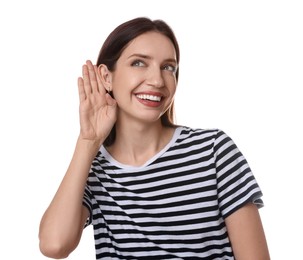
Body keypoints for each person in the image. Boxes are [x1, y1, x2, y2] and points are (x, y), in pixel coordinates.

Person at [39, 17, 270, 259]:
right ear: (106, 77)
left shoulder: (213, 151)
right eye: (139, 63)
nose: (158, 81)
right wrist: (87, 142)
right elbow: (54, 245)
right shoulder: (93, 170)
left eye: (168, 67)